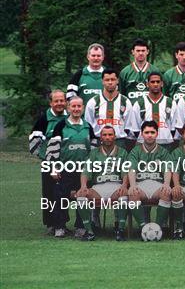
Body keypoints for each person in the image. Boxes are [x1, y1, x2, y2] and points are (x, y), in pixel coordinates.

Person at [45, 96, 98, 238]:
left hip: (83, 171)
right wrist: (54, 168)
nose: (76, 109)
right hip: (65, 169)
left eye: (79, 106)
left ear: (83, 108)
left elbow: (93, 151)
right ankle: (59, 227)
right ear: (68, 108)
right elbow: (52, 150)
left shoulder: (88, 127)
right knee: (61, 198)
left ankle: (81, 227)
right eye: (73, 106)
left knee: (83, 197)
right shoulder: (60, 126)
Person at [76, 126, 129, 241]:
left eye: (110, 135)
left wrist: (124, 185)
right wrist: (83, 186)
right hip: (98, 187)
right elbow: (86, 171)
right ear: (101, 137)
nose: (107, 137)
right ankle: (90, 231)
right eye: (105, 135)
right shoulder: (94, 153)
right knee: (81, 195)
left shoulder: (122, 152)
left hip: (116, 185)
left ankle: (120, 230)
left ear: (115, 136)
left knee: (124, 194)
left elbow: (126, 172)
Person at [29, 90, 67, 235]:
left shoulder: (69, 116)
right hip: (49, 162)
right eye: (56, 101)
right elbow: (33, 142)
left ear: (66, 102)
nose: (59, 104)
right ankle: (50, 223)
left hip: (66, 162)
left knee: (64, 193)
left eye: (61, 100)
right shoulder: (44, 118)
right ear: (51, 103)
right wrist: (46, 158)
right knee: (49, 193)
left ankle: (62, 223)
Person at [127, 121, 173, 234]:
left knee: (166, 192)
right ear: (142, 134)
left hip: (157, 184)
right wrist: (132, 185)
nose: (149, 135)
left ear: (157, 133)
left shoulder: (163, 152)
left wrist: (166, 184)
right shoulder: (135, 151)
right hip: (140, 184)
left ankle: (157, 228)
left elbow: (167, 170)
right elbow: (131, 169)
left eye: (152, 132)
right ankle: (144, 228)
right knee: (133, 193)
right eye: (146, 132)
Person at [85, 69, 133, 149]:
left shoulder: (125, 102)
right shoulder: (93, 102)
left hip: (119, 143)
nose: (110, 82)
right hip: (98, 143)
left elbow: (129, 126)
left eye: (113, 79)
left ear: (117, 81)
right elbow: (88, 125)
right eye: (107, 80)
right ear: (102, 81)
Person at [128, 72, 177, 149]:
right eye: (152, 82)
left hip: (166, 144)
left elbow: (173, 128)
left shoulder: (170, 103)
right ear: (147, 84)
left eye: (158, 82)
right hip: (144, 145)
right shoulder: (139, 103)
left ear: (162, 84)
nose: (155, 84)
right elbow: (135, 129)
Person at [119, 38, 161, 102]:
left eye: (143, 51)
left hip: (150, 110)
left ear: (147, 52)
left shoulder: (155, 71)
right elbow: (121, 95)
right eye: (138, 51)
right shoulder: (125, 72)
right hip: (131, 110)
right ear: (133, 52)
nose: (141, 53)